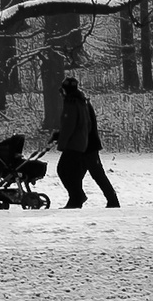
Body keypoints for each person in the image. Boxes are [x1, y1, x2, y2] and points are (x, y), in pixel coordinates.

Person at [51, 76, 119, 208]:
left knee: (67, 171)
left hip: (85, 145)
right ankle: (79, 199)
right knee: (82, 175)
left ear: (65, 91)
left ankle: (79, 198)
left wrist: (62, 140)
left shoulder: (72, 103)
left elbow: (71, 125)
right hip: (86, 143)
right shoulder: (83, 101)